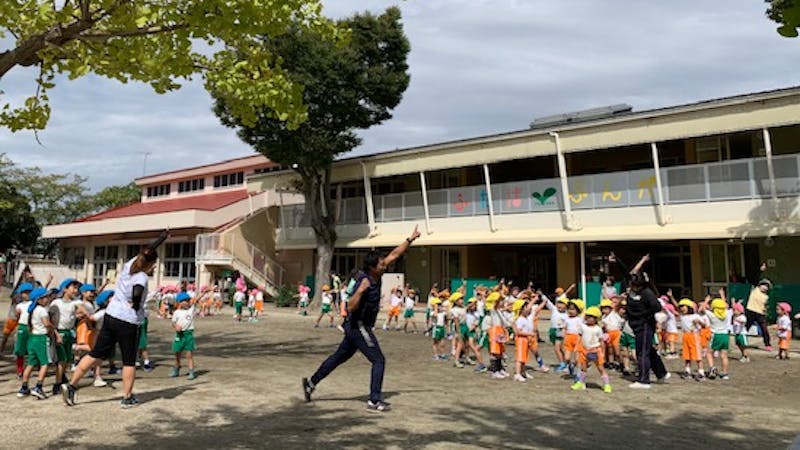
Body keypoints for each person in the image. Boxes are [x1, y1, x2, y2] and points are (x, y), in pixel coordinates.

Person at [302, 226, 421, 413]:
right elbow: (349, 306)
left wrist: (410, 239)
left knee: (338, 358)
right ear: (373, 266)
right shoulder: (362, 280)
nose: (385, 265)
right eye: (381, 264)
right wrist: (360, 291)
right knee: (378, 360)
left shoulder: (377, 273)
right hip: (357, 325)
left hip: (358, 326)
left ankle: (310, 382)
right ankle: (374, 401)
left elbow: (394, 255)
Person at [62, 231, 167, 408]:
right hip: (128, 321)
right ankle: (127, 397)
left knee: (95, 353)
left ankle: (72, 386)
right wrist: (135, 305)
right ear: (151, 264)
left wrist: (161, 238)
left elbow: (148, 251)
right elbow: (137, 292)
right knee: (128, 360)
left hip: (111, 316)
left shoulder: (129, 265)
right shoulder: (140, 276)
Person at [612, 253, 669, 389]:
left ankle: (644, 380)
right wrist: (617, 260)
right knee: (648, 349)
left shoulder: (647, 293)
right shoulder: (631, 287)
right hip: (635, 325)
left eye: (635, 285)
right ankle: (661, 373)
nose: (633, 286)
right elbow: (627, 271)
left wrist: (644, 315)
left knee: (642, 352)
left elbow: (656, 307)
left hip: (644, 325)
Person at [18, 288, 59, 399]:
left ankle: (24, 387)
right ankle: (38, 387)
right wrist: (53, 329)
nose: (47, 299)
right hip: (41, 338)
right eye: (45, 297)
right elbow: (46, 323)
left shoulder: (32, 309)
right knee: (44, 363)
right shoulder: (42, 310)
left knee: (31, 364)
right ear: (39, 299)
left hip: (32, 338)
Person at [571, 306, 612, 393]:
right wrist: (577, 348)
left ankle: (607, 384)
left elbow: (601, 341)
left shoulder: (598, 329)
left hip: (596, 350)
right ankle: (580, 382)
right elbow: (579, 337)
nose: (589, 319)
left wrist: (603, 352)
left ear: (596, 319)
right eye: (588, 316)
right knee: (583, 368)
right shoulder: (583, 327)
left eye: (592, 317)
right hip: (585, 350)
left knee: (600, 368)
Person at [744, 262, 772, 350]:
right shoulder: (755, 289)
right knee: (745, 328)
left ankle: (767, 344)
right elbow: (755, 277)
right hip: (750, 311)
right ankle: (741, 341)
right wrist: (761, 270)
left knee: (764, 329)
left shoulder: (766, 296)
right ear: (760, 285)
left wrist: (765, 312)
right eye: (763, 285)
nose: (765, 287)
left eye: (767, 286)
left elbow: (766, 306)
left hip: (760, 313)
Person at [171, 292, 198, 379]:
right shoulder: (177, 312)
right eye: (183, 301)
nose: (186, 302)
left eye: (187, 300)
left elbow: (197, 299)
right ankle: (177, 368)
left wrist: (206, 291)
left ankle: (191, 371)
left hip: (188, 334)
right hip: (179, 335)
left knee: (189, 354)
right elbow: (173, 322)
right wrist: (176, 326)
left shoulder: (191, 310)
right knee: (177, 353)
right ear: (179, 302)